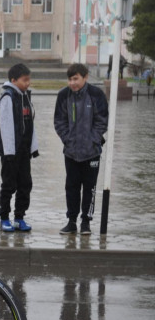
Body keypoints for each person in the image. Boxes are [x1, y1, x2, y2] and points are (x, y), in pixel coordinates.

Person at [54, 63, 109, 235]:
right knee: (71, 187)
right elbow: (59, 121)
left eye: (76, 79)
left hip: (92, 153)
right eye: (70, 79)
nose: (72, 83)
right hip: (71, 152)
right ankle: (71, 221)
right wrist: (68, 139)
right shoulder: (63, 95)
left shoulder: (96, 94)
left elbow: (102, 121)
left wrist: (92, 140)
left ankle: (86, 222)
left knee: (90, 188)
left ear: (85, 77)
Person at [0, 63, 39, 233]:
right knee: (9, 185)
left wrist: (33, 147)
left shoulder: (25, 97)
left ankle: (19, 217)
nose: (28, 83)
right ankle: (4, 218)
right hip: (10, 152)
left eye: (29, 80)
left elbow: (30, 125)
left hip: (24, 152)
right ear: (13, 80)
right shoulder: (8, 97)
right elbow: (5, 125)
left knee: (25, 184)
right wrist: (9, 152)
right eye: (24, 80)